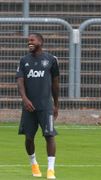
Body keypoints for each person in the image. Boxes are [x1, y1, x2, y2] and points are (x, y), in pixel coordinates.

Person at [16, 33, 60, 179]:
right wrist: (24, 99)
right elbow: (20, 81)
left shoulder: (51, 60)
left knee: (49, 135)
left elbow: (55, 83)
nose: (29, 42)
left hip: (45, 106)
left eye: (32, 40)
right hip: (29, 107)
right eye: (28, 40)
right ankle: (34, 164)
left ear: (41, 42)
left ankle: (50, 169)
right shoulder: (23, 60)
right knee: (29, 138)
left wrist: (56, 104)